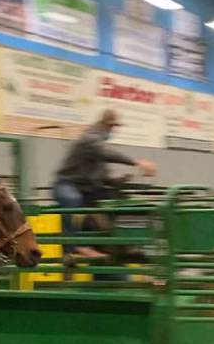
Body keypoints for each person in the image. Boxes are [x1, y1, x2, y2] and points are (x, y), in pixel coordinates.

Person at [52, 110, 156, 258]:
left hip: (87, 188)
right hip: (67, 183)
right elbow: (106, 153)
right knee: (71, 200)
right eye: (113, 127)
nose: (114, 131)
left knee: (117, 201)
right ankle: (71, 248)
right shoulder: (90, 139)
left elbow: (101, 173)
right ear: (107, 125)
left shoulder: (99, 143)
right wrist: (137, 162)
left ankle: (122, 245)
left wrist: (116, 181)